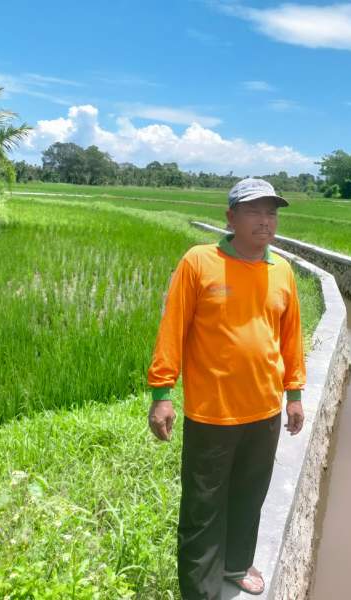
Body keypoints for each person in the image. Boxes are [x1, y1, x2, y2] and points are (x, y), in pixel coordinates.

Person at [146, 177, 306, 599]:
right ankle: (199, 591)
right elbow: (173, 327)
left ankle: (236, 566)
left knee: (249, 497)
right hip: (211, 413)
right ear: (230, 216)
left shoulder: (282, 271)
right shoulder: (200, 262)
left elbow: (291, 338)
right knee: (202, 508)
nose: (265, 220)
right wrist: (162, 393)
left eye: (271, 212)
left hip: (265, 411)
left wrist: (294, 394)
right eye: (254, 211)